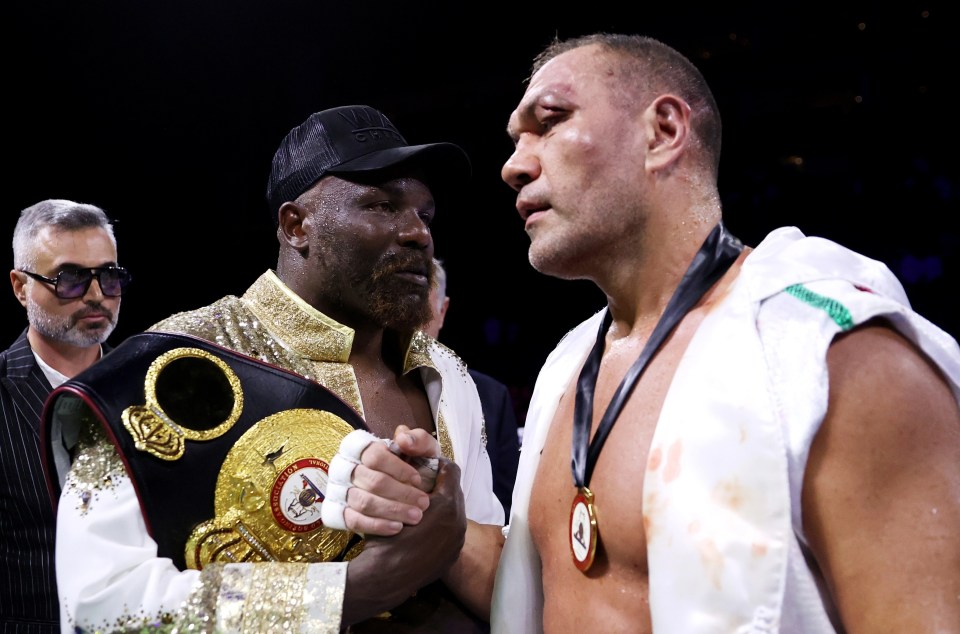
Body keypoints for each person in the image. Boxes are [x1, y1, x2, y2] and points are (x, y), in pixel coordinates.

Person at [487, 33, 960, 633]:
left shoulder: (839, 360)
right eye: (515, 140)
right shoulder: (565, 366)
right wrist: (437, 524)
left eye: (549, 122)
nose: (514, 165)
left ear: (662, 132)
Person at [42, 105, 505, 633]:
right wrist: (347, 592)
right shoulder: (168, 366)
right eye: (381, 205)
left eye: (425, 215)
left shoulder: (447, 375)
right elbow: (101, 604)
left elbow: (487, 557)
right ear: (296, 225)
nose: (417, 233)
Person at [1, 199, 129, 633]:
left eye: (108, 277)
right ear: (21, 287)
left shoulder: (151, 389)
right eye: (70, 278)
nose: (96, 295)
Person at [425, 257, 520, 517]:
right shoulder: (365, 385)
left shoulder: (491, 396)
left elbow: (510, 503)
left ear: (442, 311)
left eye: (422, 302)